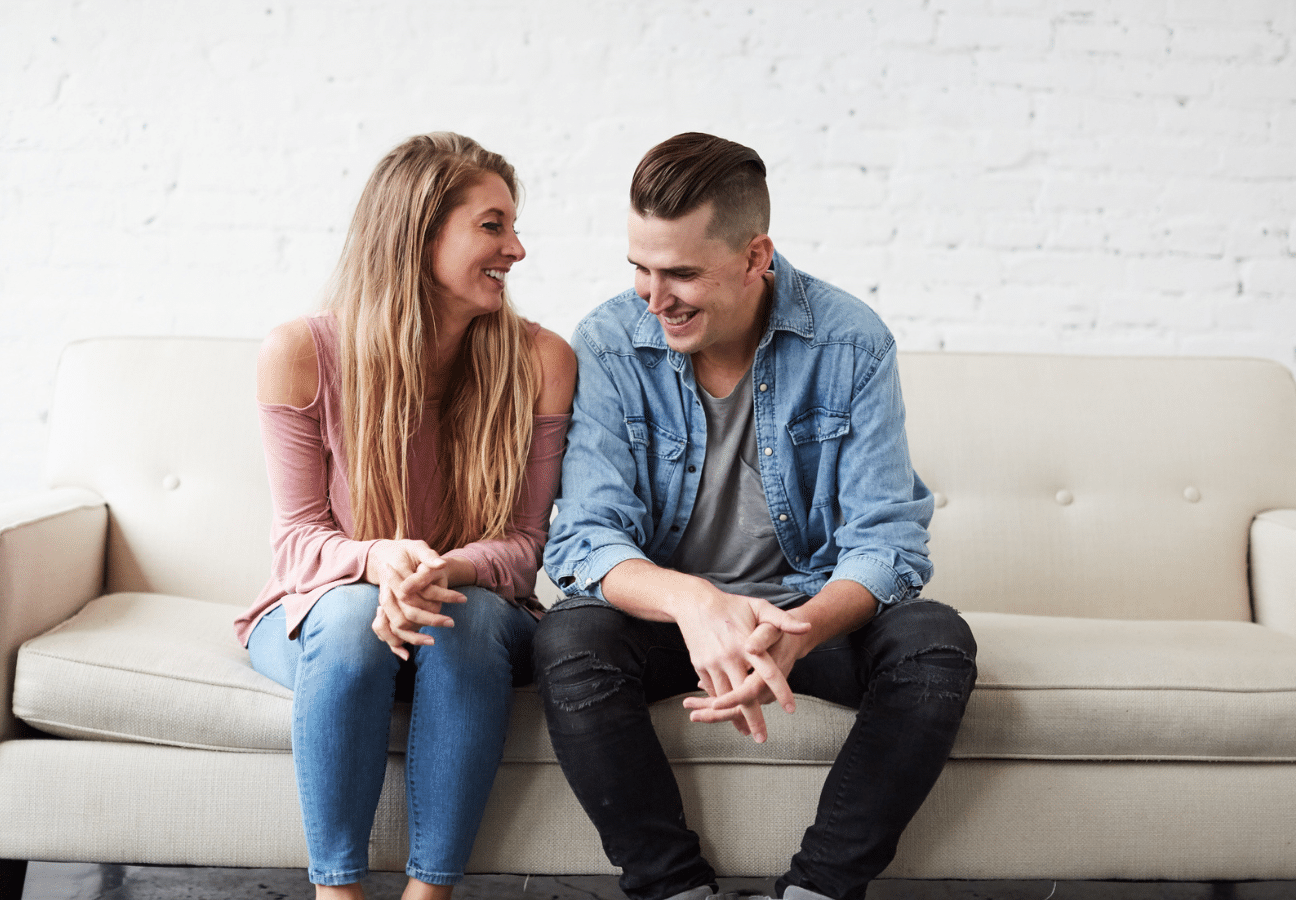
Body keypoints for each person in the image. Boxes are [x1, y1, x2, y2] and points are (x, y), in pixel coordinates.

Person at [537, 133, 976, 900]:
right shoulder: (609, 342)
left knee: (935, 644)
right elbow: (584, 535)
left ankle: (817, 890)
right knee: (569, 638)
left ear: (755, 256)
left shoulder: (851, 342)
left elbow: (886, 540)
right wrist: (695, 602)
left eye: (681, 273)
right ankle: (675, 889)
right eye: (639, 268)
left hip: (802, 620)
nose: (653, 296)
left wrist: (799, 629)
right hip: (670, 624)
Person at [233, 132, 576, 900]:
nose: (516, 249)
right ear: (420, 232)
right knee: (354, 617)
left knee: (467, 615)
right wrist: (378, 560)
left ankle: (431, 896)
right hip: (333, 612)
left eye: (514, 227)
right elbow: (296, 540)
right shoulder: (301, 351)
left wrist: (441, 569)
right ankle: (337, 892)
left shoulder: (541, 360)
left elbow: (525, 546)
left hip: (472, 616)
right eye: (493, 225)